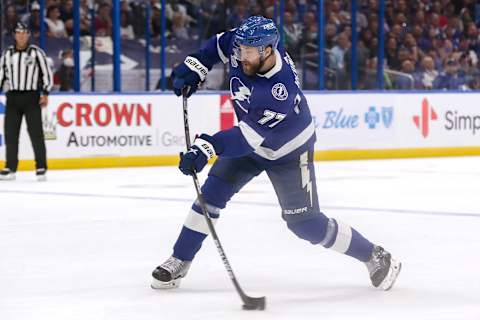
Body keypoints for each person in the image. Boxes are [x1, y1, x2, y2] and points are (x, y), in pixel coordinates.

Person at [151, 16, 401, 291]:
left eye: (247, 51)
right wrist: (196, 64)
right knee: (209, 196)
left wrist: (207, 147)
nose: (240, 55)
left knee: (305, 224)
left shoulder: (278, 90)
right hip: (250, 139)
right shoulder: (244, 43)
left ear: (267, 51)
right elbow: (217, 46)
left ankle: (373, 254)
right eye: (241, 49)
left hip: (289, 152)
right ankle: (179, 259)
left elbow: (246, 139)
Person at [0, 22, 53, 181]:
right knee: (10, 134)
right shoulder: (7, 53)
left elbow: (46, 74)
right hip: (13, 98)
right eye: (18, 32)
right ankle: (10, 167)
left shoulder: (37, 53)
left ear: (28, 34)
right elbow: (1, 75)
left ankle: (41, 167)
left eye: (24, 32)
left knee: (36, 133)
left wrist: (45, 93)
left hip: (31, 98)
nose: (21, 35)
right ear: (14, 35)